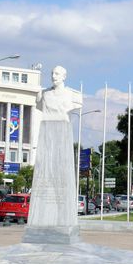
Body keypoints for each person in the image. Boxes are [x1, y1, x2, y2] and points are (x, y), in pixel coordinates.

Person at [23, 65, 82, 244]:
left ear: (64, 76)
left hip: (61, 125)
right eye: (52, 73)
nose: (53, 76)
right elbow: (40, 104)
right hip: (47, 126)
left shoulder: (73, 96)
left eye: (57, 74)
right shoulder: (43, 95)